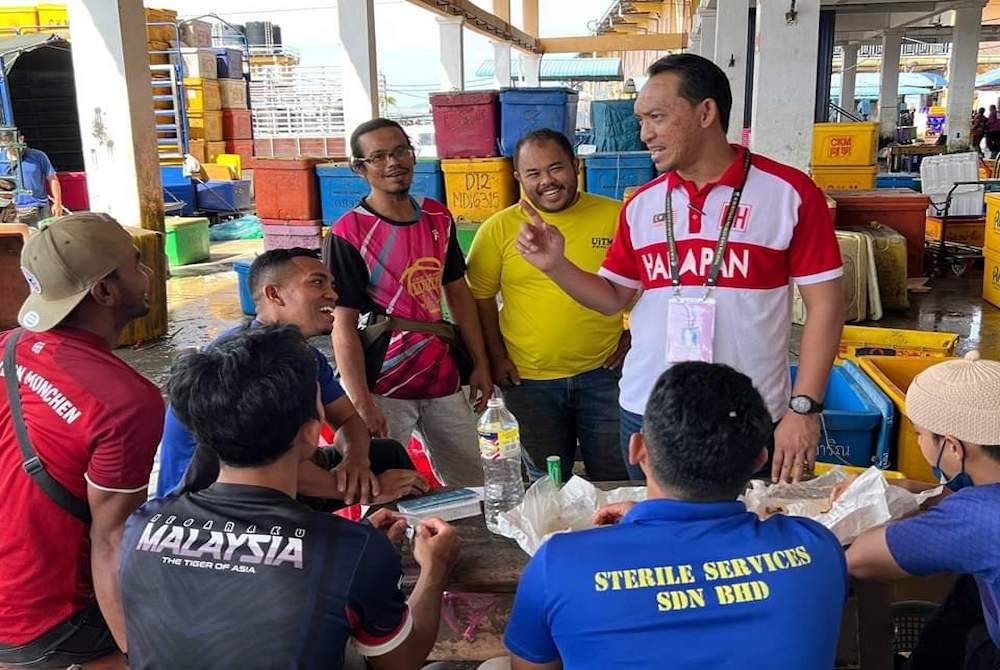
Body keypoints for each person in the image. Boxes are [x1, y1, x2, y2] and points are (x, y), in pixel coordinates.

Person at [516, 53, 844, 483]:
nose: (644, 134)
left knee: (747, 523)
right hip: (647, 410)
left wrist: (804, 408)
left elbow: (827, 307)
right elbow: (613, 298)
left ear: (706, 112)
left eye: (657, 117)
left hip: (747, 412)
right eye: (641, 120)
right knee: (652, 524)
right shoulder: (641, 204)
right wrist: (556, 266)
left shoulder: (789, 193)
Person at [120, 325, 460, 669]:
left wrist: (355, 553)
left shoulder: (142, 525)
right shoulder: (353, 551)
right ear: (312, 433)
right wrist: (435, 568)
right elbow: (402, 663)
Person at [501, 362, 847, 669]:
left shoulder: (559, 562)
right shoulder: (816, 547)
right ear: (760, 460)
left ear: (637, 449)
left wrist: (642, 526)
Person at [0, 213, 162, 669]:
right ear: (105, 292)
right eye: (136, 263)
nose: (148, 273)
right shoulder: (125, 401)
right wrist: (138, 653)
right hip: (47, 618)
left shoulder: (7, 346)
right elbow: (111, 542)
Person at [156, 247, 428, 507]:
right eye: (317, 283)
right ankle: (363, 536)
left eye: (332, 285)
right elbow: (260, 465)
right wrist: (369, 489)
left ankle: (392, 531)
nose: (333, 294)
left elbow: (347, 419)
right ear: (274, 294)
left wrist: (356, 461)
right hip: (210, 493)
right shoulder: (244, 360)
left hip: (273, 471)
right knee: (385, 483)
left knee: (387, 455)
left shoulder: (303, 354)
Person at [325, 118, 492, 487]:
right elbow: (342, 326)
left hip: (444, 375)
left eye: (400, 151)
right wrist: (361, 402)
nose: (393, 163)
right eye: (379, 156)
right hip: (384, 384)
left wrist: (480, 364)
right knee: (383, 486)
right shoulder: (348, 233)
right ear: (360, 168)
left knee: (473, 481)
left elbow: (458, 294)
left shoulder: (438, 216)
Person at [466, 128, 629, 483]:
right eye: (533, 173)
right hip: (528, 382)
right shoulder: (497, 229)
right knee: (547, 482)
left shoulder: (617, 217)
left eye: (556, 168)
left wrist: (631, 337)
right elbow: (480, 298)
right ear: (517, 177)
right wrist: (495, 357)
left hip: (605, 375)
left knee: (615, 477)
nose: (547, 181)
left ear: (575, 165)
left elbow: (645, 286)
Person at [846, 351, 1000, 670]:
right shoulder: (980, 503)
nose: (919, 442)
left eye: (919, 434)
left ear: (953, 447)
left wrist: (861, 506)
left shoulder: (977, 516)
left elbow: (861, 560)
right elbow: (961, 500)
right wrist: (904, 490)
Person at [0, 131, 63, 225]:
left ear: (21, 139)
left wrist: (57, 203)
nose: (12, 149)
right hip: (11, 210)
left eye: (13, 145)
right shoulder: (1, 159)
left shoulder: (38, 156)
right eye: (8, 146)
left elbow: (52, 179)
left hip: (38, 207)